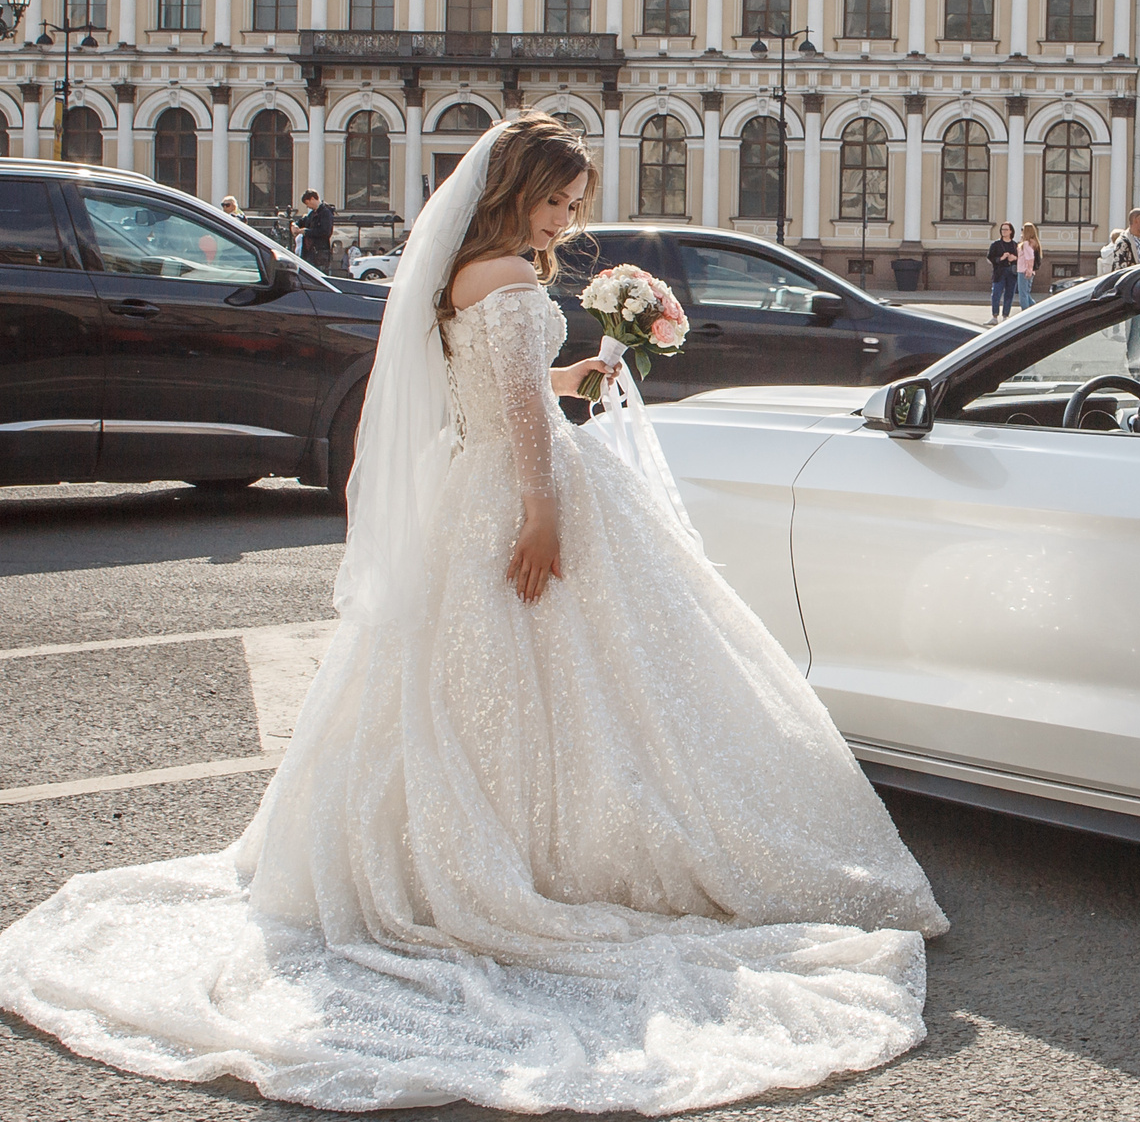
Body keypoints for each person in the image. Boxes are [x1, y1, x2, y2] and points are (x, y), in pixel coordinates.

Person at [0, 113, 945, 1112]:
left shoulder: (476, 274)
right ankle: (544, 858)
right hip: (517, 491)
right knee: (580, 675)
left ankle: (500, 844)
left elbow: (500, 392)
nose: (566, 219)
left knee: (480, 680)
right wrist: (542, 511)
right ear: (509, 193)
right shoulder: (508, 281)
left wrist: (574, 372)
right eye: (553, 201)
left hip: (479, 481)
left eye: (575, 206)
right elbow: (522, 423)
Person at [1098, 207, 1140, 363]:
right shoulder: (1123, 241)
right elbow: (1121, 270)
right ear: (1135, 221)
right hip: (1134, 293)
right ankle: (1132, 360)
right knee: (1134, 330)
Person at [293, 189, 335, 270]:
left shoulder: (326, 213)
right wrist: (294, 225)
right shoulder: (312, 214)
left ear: (312, 199)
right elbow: (303, 221)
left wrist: (306, 232)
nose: (307, 206)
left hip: (319, 253)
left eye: (307, 203)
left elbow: (325, 232)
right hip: (310, 252)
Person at [986, 221, 1020, 319]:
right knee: (996, 293)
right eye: (1002, 229)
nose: (1003, 231)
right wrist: (1001, 258)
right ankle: (994, 316)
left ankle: (1005, 315)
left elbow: (1021, 258)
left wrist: (1014, 258)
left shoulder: (1015, 245)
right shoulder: (996, 244)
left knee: (1009, 294)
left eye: (1006, 229)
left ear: (1010, 231)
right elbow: (990, 258)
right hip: (999, 272)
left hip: (1012, 272)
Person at [1016, 223, 1041, 306]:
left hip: (1024, 271)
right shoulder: (1033, 243)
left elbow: (1030, 258)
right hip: (1028, 271)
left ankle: (1025, 313)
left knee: (1023, 294)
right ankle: (1036, 309)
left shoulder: (1026, 244)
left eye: (1023, 230)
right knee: (1026, 293)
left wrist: (1029, 270)